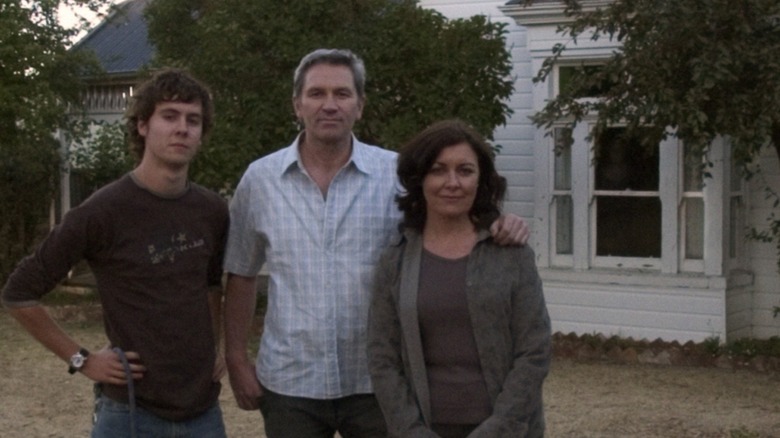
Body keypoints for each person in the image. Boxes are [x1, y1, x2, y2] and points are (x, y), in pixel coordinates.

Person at [223, 48, 530, 438]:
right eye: (316, 94)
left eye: (342, 94)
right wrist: (235, 358)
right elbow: (241, 273)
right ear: (297, 104)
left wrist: (499, 222)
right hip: (290, 383)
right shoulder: (260, 180)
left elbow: (451, 220)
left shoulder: (397, 175)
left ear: (360, 105)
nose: (329, 105)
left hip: (379, 384)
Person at [1, 68, 229, 437]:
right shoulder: (102, 212)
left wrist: (214, 347)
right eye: (169, 117)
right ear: (142, 125)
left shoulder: (212, 210)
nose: (182, 128)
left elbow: (210, 285)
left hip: (202, 411)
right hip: (129, 412)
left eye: (194, 120)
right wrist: (81, 359)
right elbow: (18, 294)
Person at [367, 119, 552, 438]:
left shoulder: (511, 254)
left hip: (506, 429)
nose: (452, 182)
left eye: (465, 170)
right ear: (420, 179)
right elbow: (382, 358)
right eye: (438, 169)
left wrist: (498, 428)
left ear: (481, 180)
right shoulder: (395, 261)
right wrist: (411, 431)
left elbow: (534, 351)